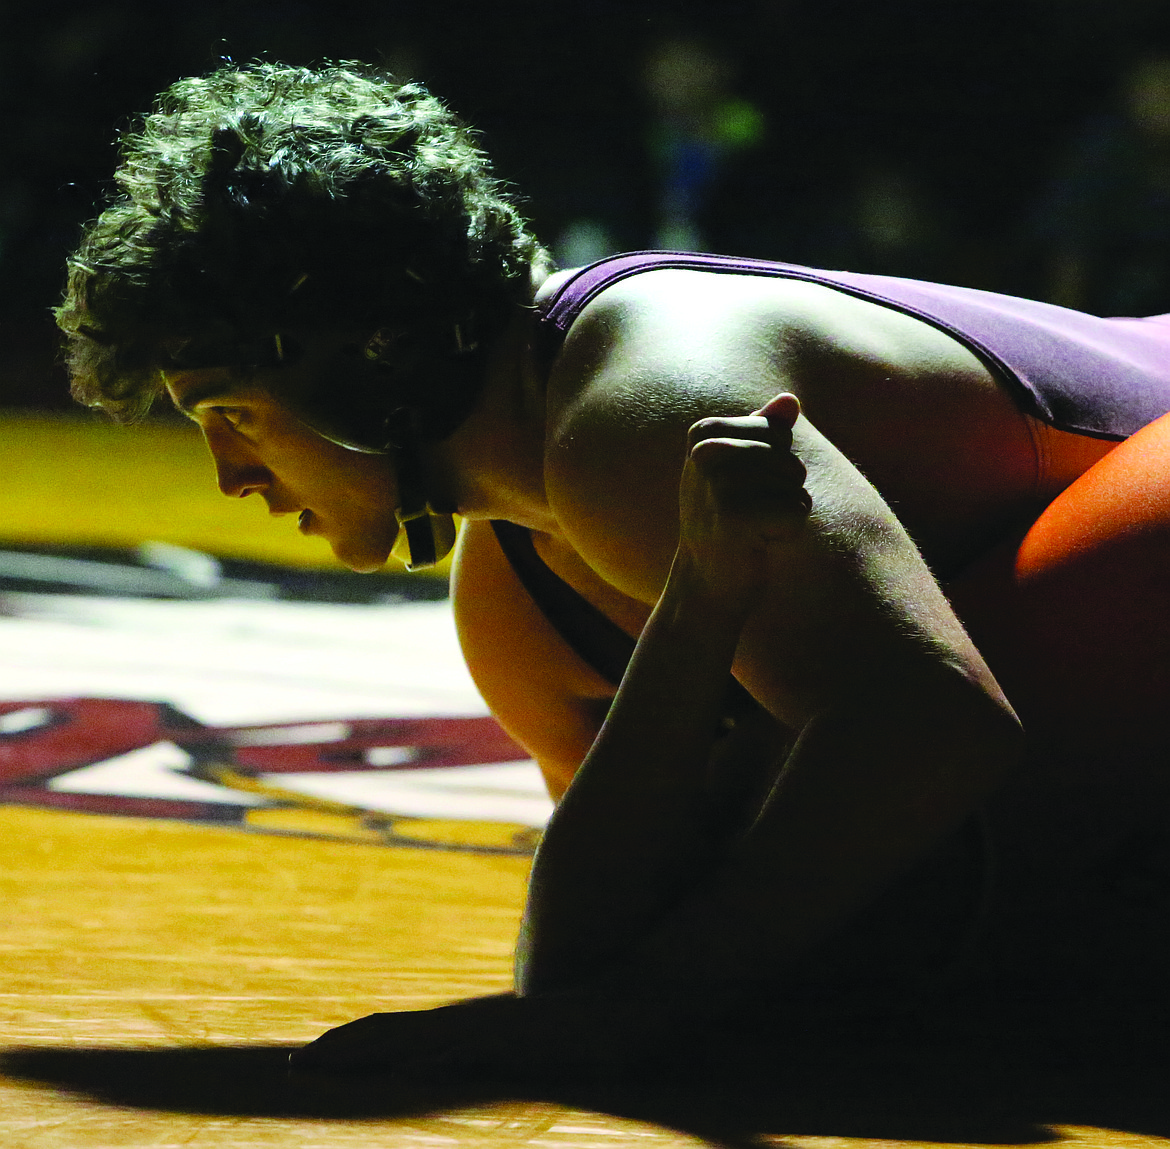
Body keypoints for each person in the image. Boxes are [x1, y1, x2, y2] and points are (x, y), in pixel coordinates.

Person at [57, 62, 1170, 1088]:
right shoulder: (515, 593)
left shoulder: (642, 406)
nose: (230, 474)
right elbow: (587, 965)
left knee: (896, 913)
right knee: (835, 915)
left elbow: (938, 730)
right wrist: (696, 610)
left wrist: (621, 1011)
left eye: (234, 415)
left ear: (378, 355)